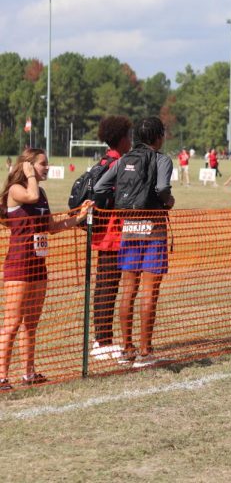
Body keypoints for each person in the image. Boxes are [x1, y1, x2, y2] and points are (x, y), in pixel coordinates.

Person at [1, 149, 93, 390]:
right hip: (19, 266)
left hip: (38, 267)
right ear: (29, 166)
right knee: (11, 324)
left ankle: (28, 373)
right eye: (42, 164)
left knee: (31, 323)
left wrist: (79, 217)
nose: (47, 168)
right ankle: (1, 376)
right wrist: (30, 175)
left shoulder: (40, 192)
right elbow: (30, 196)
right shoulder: (18, 190)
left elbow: (51, 226)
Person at [94, 117, 175, 368]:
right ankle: (145, 350)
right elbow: (162, 188)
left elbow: (99, 186)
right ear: (158, 136)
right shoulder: (162, 159)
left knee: (129, 289)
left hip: (129, 228)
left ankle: (127, 349)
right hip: (153, 229)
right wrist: (168, 201)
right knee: (150, 291)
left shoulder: (123, 160)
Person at [89, 115, 133, 361]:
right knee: (108, 287)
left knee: (104, 287)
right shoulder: (118, 164)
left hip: (103, 233)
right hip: (113, 235)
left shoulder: (103, 161)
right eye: (129, 135)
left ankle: (102, 339)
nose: (131, 140)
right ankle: (103, 342)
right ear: (122, 139)